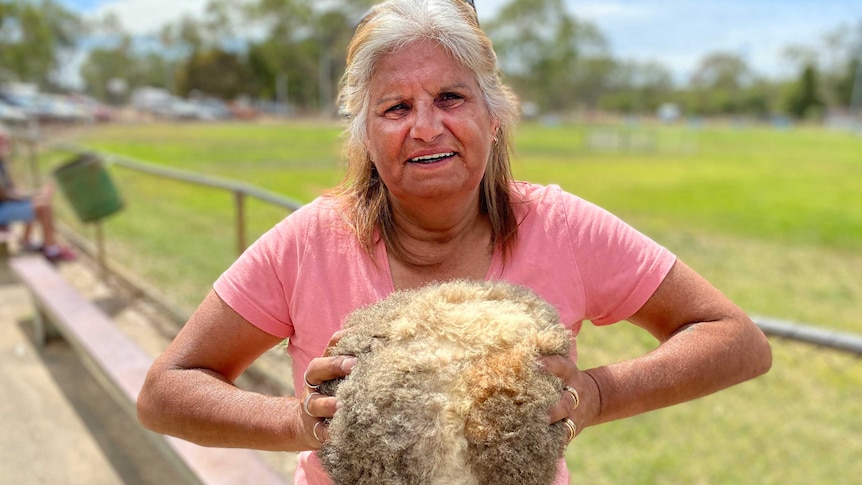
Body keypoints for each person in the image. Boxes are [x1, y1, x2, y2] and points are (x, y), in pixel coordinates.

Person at [137, 1, 772, 483]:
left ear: (492, 119)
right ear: (364, 136)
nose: (425, 126)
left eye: (449, 97)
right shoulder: (310, 241)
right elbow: (165, 391)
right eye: (395, 107)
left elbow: (736, 340)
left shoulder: (561, 226)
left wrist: (597, 395)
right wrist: (297, 422)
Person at [0, 125, 76, 262]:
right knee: (43, 207)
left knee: (37, 203)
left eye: (5, 141)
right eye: (2, 142)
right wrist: (35, 195)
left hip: (3, 206)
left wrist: (35, 195)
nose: (6, 146)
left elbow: (10, 191)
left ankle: (27, 241)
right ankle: (51, 249)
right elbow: (4, 195)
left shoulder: (2, 163)